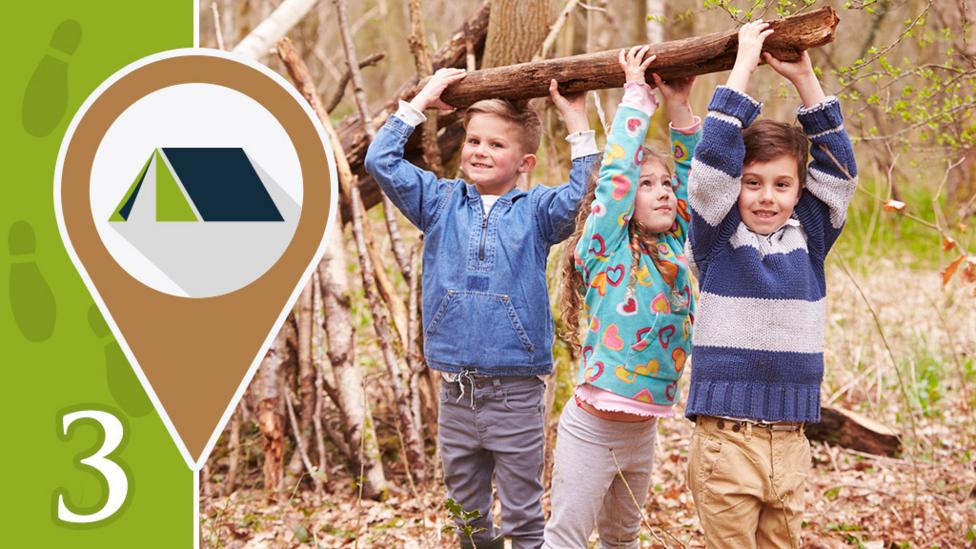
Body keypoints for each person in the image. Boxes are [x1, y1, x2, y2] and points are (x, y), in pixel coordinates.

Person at [364, 67, 600, 549]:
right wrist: (420, 100)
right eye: (474, 140)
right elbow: (380, 161)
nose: (480, 151)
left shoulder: (536, 211)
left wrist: (576, 122)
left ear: (525, 162)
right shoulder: (439, 201)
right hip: (455, 392)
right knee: (467, 517)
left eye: (496, 145)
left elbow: (586, 196)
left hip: (515, 391)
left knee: (522, 517)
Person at [684, 20, 858, 548]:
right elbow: (711, 167)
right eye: (752, 184)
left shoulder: (810, 236)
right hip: (726, 441)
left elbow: (840, 172)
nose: (766, 197)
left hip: (792, 440)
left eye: (782, 185)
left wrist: (806, 78)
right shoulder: (717, 235)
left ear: (799, 189)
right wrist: (743, 65)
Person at [544, 45, 700, 549]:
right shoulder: (606, 247)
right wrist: (636, 97)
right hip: (592, 430)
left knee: (622, 539)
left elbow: (700, 187)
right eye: (646, 184)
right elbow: (613, 179)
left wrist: (679, 106)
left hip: (642, 433)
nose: (661, 192)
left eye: (665, 185)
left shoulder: (677, 248)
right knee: (567, 537)